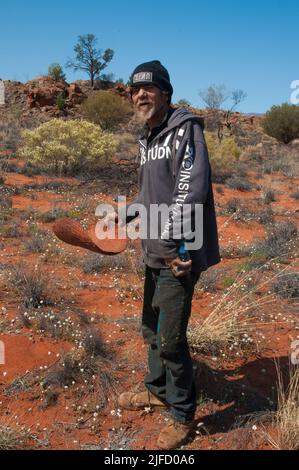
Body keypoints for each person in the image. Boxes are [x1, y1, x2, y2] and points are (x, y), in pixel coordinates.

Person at [116, 60, 221, 449]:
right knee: (151, 328)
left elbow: (190, 191)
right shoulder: (148, 138)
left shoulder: (184, 130)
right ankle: (157, 388)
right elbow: (149, 195)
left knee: (172, 339)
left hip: (179, 254)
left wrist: (179, 246)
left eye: (149, 89)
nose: (140, 95)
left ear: (165, 93)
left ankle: (181, 412)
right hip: (153, 251)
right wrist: (122, 214)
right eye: (134, 90)